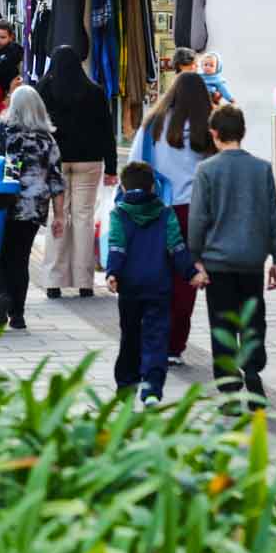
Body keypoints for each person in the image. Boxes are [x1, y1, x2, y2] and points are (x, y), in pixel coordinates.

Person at [188, 104, 276, 403]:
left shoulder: (206, 170)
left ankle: (229, 387)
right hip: (253, 261)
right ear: (243, 133)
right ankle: (253, 368)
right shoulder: (261, 168)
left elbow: (198, 218)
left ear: (214, 134)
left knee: (222, 323)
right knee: (253, 319)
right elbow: (272, 216)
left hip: (218, 262)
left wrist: (196, 258)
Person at [133, 58, 216, 365]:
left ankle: (152, 338)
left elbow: (135, 167)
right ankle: (174, 346)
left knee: (155, 275)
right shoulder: (208, 128)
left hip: (157, 209)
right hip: (194, 212)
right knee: (186, 280)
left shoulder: (153, 124)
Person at [103, 159, 204, 404]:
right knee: (156, 337)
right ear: (153, 188)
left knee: (130, 335)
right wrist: (191, 273)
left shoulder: (119, 214)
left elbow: (116, 246)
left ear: (124, 189)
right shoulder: (166, 213)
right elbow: (177, 247)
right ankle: (152, 388)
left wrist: (112, 273)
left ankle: (126, 385)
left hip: (129, 288)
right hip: (159, 287)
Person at [0, 85, 66, 331]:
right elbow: (56, 181)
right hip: (33, 209)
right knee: (20, 259)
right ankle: (18, 315)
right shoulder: (47, 141)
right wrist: (60, 216)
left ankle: (1, 294)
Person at [37, 45, 115, 300]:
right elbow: (106, 131)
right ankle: (84, 282)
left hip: (55, 162)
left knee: (58, 217)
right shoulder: (95, 92)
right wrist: (112, 167)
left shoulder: (44, 90)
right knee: (83, 218)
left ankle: (53, 281)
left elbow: (37, 129)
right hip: (89, 161)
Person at [0, 21, 24, 90]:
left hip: (9, 88)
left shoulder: (14, 49)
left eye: (3, 37)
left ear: (10, 37)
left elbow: (3, 66)